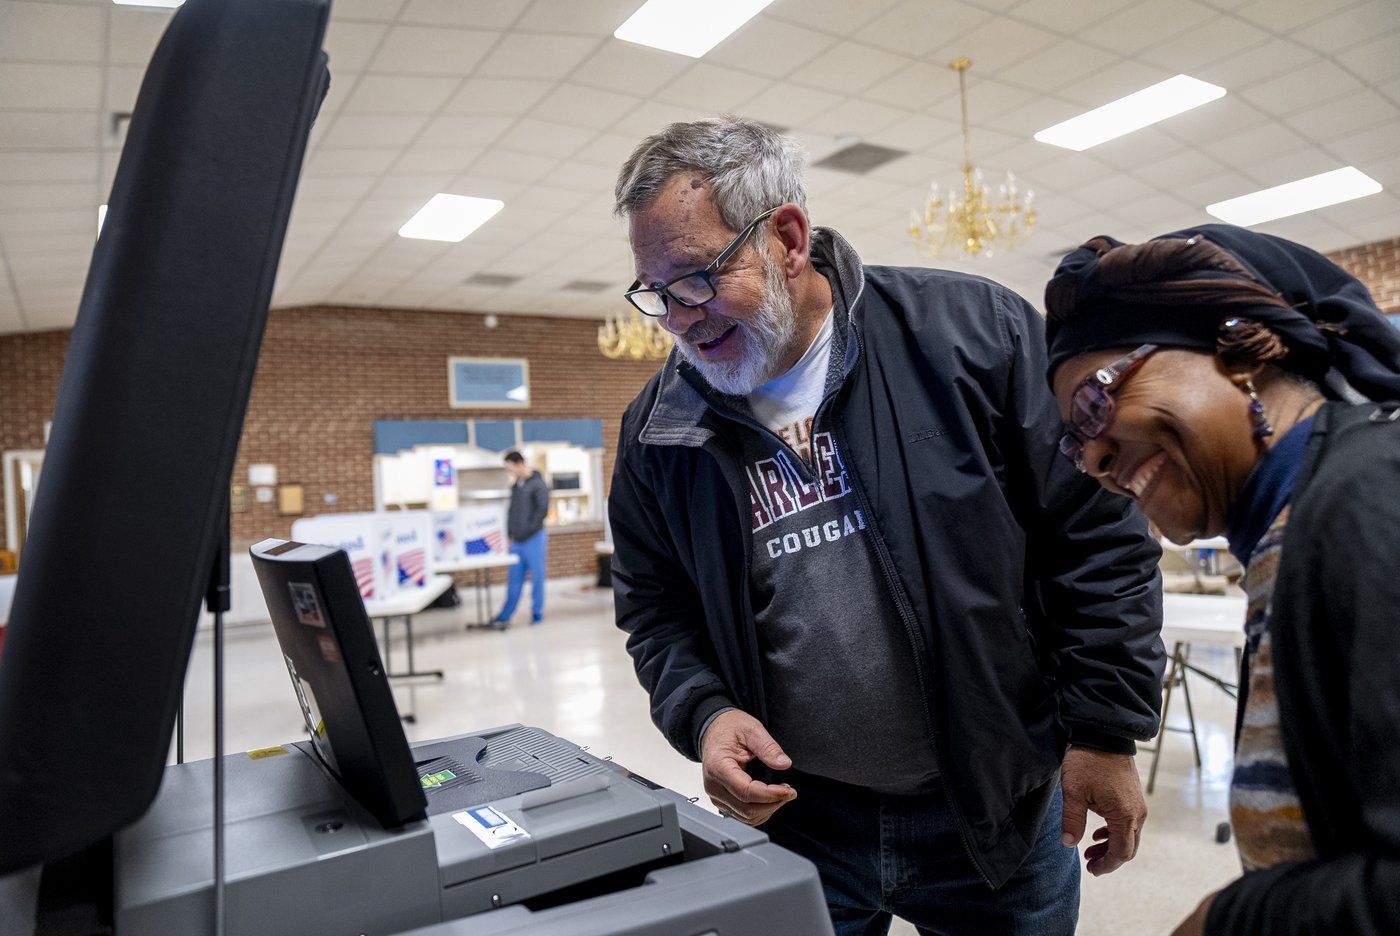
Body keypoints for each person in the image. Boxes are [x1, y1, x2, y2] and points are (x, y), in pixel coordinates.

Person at [607, 116, 1165, 935]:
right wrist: (706, 713)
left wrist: (1106, 731)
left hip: (995, 810)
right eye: (655, 293)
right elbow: (656, 609)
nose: (678, 318)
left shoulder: (974, 336)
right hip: (797, 819)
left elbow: (1097, 537)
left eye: (695, 279)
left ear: (788, 238)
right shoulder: (662, 424)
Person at [1041, 224, 1400, 936]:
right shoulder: (1292, 534)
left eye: (1096, 402)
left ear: (1238, 346)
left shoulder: (1366, 500)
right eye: (1076, 444)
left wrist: (1224, 920)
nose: (1097, 460)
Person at [491, 450, 548, 628]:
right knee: (514, 580)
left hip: (534, 539)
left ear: (519, 464)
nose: (510, 472)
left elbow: (541, 511)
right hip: (516, 541)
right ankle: (505, 615)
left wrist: (527, 531)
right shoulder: (516, 486)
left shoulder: (538, 484)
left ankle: (537, 614)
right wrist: (510, 535)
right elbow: (511, 512)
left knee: (537, 578)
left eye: (510, 468)